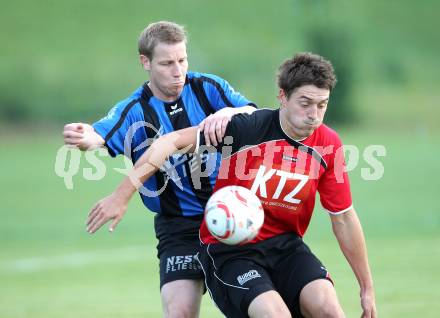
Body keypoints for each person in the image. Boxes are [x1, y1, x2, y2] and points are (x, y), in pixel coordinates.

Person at [89, 52, 377, 318]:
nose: (314, 114)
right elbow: (168, 143)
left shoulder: (328, 145)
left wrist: (366, 287)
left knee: (330, 309)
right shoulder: (246, 128)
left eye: (322, 105)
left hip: (286, 247)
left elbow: (344, 218)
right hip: (230, 251)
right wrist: (121, 194)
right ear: (282, 97)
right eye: (305, 103)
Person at [63, 21, 257, 318]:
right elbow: (99, 136)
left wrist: (231, 111)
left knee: (257, 305)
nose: (178, 70)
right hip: (179, 227)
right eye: (167, 63)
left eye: (182, 60)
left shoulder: (208, 87)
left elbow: (254, 114)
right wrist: (83, 136)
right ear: (145, 62)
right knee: (179, 311)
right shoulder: (135, 109)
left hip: (233, 214)